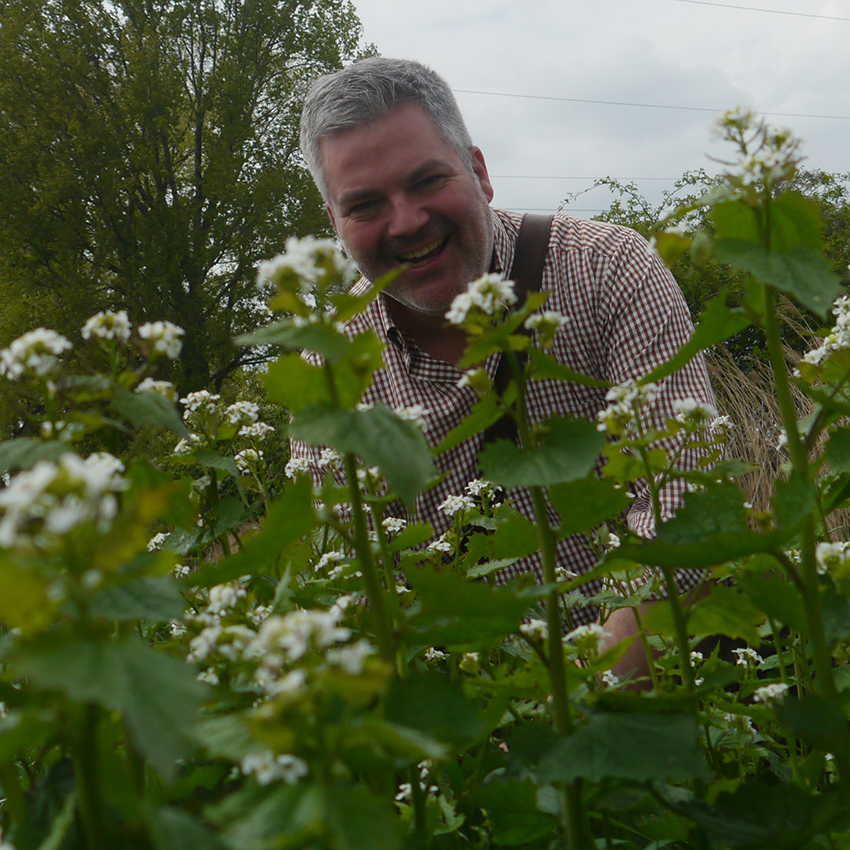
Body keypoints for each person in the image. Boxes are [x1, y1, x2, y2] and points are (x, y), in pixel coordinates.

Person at [292, 57, 716, 678]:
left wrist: (566, 719)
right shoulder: (329, 366)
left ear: (480, 172)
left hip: (647, 701)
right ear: (335, 224)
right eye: (365, 205)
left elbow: (684, 513)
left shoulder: (606, 271)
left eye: (428, 180)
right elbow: (341, 581)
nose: (407, 222)